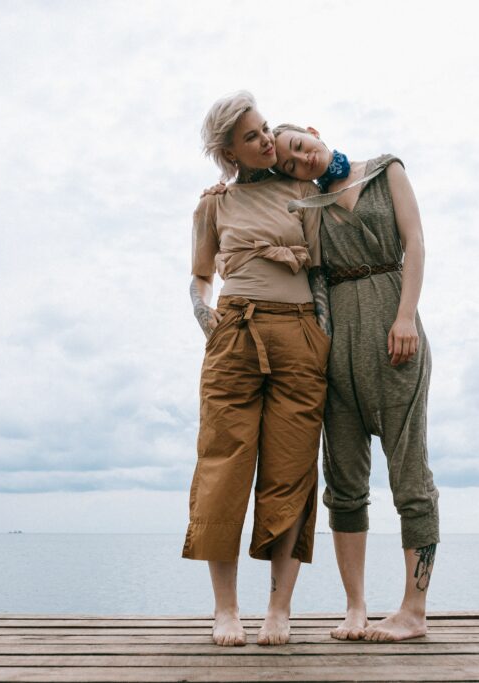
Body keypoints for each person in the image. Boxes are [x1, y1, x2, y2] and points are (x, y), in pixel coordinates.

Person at [274, 124, 440, 642]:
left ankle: (414, 611)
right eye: (290, 162)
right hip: (334, 350)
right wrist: (221, 189)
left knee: (409, 477)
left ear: (313, 132)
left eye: (301, 144)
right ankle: (355, 608)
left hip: (395, 339)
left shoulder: (385, 169)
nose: (303, 158)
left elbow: (414, 244)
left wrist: (406, 316)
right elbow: (254, 203)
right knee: (344, 485)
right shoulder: (307, 205)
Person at [183, 92, 329, 647]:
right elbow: (200, 276)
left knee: (290, 471)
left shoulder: (303, 191)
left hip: (298, 334)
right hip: (235, 333)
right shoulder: (213, 205)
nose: (267, 140)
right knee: (223, 467)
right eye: (252, 136)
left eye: (266, 128)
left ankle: (279, 610)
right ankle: (225, 611)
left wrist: (323, 334)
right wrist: (207, 319)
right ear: (229, 151)